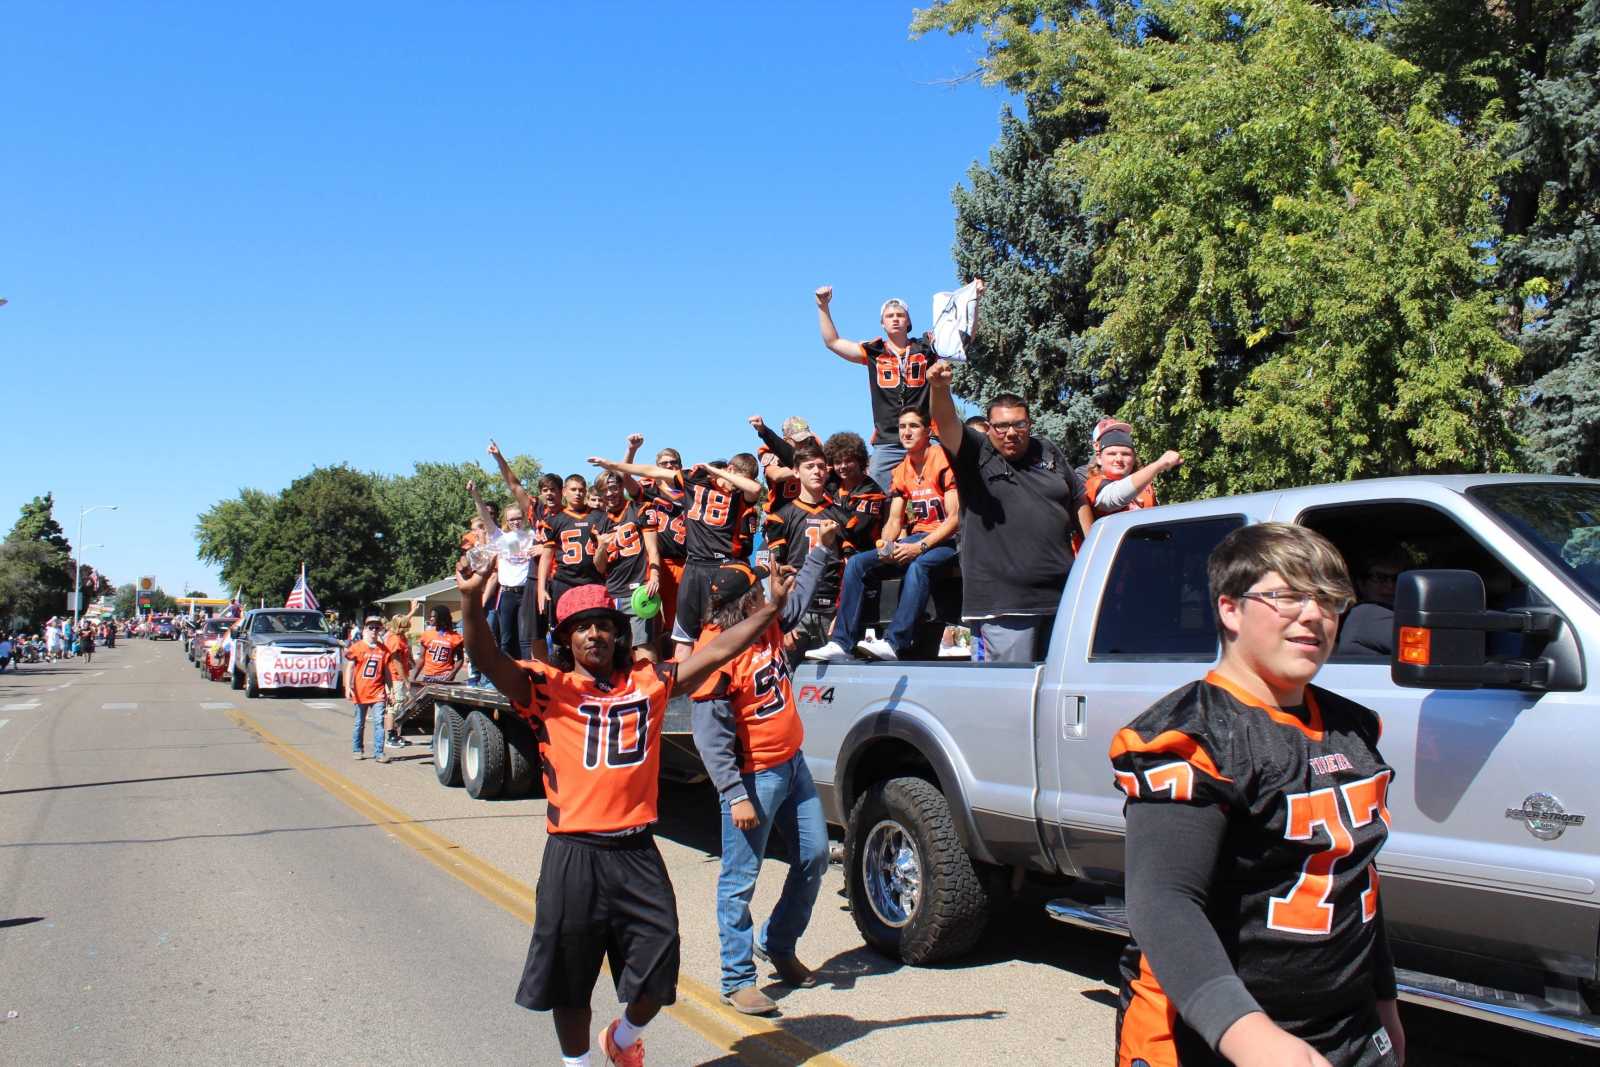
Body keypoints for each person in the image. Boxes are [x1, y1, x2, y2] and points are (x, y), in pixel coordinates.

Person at [455, 549, 784, 1067]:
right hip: (574, 854)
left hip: (636, 851)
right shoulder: (547, 689)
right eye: (581, 628)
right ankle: (578, 1064)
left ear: (618, 633)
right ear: (565, 638)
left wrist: (770, 610)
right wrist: (472, 601)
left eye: (603, 626)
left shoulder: (650, 684)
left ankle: (625, 1037)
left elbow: (719, 651)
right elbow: (487, 657)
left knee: (661, 962)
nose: (594, 635)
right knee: (571, 980)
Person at [1111, 523, 1401, 1067]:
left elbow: (1355, 876)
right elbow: (1163, 902)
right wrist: (1248, 1036)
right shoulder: (1194, 737)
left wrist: (1384, 1000)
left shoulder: (1353, 726)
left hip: (1347, 1025)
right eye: (1288, 595)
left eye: (1329, 600)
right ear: (1230, 609)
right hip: (1212, 1034)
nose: (1314, 615)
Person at [691, 532, 837, 1016]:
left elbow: (795, 600)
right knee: (739, 879)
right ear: (741, 605)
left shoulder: (765, 622)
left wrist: (821, 550)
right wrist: (734, 794)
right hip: (754, 779)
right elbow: (710, 738)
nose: (765, 595)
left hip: (792, 765)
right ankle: (737, 979)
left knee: (815, 856)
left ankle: (777, 942)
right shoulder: (715, 653)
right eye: (757, 592)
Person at [927, 361, 1085, 663]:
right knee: (1008, 690)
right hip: (1004, 607)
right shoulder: (975, 452)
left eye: (1019, 424)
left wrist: (1090, 553)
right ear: (989, 428)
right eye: (1001, 426)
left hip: (1061, 600)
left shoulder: (1047, 450)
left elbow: (1078, 497)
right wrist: (939, 389)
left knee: (1057, 687)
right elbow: (946, 423)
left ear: (1030, 425)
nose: (1010, 432)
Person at [807, 407, 959, 663]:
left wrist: (918, 547)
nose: (906, 432)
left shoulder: (942, 459)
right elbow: (894, 520)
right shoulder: (901, 469)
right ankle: (841, 643)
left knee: (919, 565)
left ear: (928, 431)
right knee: (858, 563)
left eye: (913, 426)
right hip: (917, 538)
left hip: (950, 541)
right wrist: (887, 545)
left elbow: (955, 519)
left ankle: (894, 642)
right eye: (902, 427)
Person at [590, 453, 762, 656]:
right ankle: (681, 675)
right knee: (682, 637)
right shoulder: (693, 480)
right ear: (731, 470)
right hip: (694, 565)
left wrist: (717, 471)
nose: (739, 483)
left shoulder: (739, 495)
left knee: (724, 629)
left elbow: (755, 489)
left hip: (723, 565)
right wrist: (612, 464)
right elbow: (651, 471)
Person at [816, 284, 982, 491]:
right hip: (888, 439)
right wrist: (823, 306)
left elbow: (964, 340)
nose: (895, 319)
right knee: (876, 492)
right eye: (889, 316)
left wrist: (975, 301)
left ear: (909, 321)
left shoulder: (926, 346)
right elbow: (833, 342)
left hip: (925, 435)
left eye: (900, 315)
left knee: (944, 485)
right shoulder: (874, 351)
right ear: (882, 323)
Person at [763, 441, 849, 661]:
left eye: (821, 466)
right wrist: (783, 617)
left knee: (834, 677)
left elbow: (848, 567)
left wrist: (843, 612)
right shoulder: (781, 516)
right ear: (795, 472)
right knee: (790, 673)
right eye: (809, 466)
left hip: (830, 609)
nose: (816, 471)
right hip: (797, 609)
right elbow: (777, 571)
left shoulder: (842, 516)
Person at [593, 472, 664, 662]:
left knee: (642, 645)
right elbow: (600, 567)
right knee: (617, 650)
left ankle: (651, 681)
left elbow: (652, 548)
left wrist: (654, 576)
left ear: (621, 487)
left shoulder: (639, 509)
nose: (610, 493)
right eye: (605, 490)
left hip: (639, 589)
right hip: (613, 592)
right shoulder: (598, 522)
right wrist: (601, 547)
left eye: (614, 487)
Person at [468, 480, 537, 660]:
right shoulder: (501, 537)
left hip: (526, 592)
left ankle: (527, 670)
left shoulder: (532, 536)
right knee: (506, 638)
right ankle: (508, 670)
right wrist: (475, 495)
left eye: (518, 518)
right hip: (507, 593)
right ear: (506, 521)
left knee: (525, 638)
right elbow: (485, 517)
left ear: (524, 518)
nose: (515, 522)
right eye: (511, 519)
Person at [538, 474, 606, 634]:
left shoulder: (599, 516)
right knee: (565, 630)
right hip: (564, 582)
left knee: (594, 628)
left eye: (581, 490)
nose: (578, 493)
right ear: (564, 492)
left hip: (593, 581)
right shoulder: (554, 520)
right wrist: (541, 589)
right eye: (573, 489)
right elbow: (546, 558)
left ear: (586, 492)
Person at [1083, 425, 1182, 528]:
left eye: (1125, 454)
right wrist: (1158, 465)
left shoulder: (1145, 486)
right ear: (1099, 458)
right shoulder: (1093, 485)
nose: (1119, 459)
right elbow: (1114, 497)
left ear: (1134, 458)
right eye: (1112, 454)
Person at [1336, 547, 1408, 657]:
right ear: (1361, 584)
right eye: (1379, 578)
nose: (1390, 586)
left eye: (1396, 579)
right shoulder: (1366, 613)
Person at [344, 617, 393, 764]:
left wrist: (390, 690)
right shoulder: (357, 647)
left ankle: (379, 752)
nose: (374, 631)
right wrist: (348, 687)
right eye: (371, 627)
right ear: (365, 629)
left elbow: (387, 672)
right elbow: (349, 668)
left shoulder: (383, 650)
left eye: (377, 628)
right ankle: (357, 749)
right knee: (359, 723)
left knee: (379, 722)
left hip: (378, 692)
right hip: (361, 692)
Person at [383, 608, 418, 748]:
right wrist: (406, 680)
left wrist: (411, 661)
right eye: (406, 625)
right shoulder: (395, 640)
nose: (408, 627)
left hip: (401, 676)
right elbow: (396, 662)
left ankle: (397, 734)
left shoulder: (401, 637)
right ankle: (390, 735)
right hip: (395, 677)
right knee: (394, 706)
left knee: (401, 706)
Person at [412, 605, 467, 685]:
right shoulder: (426, 635)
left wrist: (451, 675)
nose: (431, 619)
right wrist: (413, 678)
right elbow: (421, 659)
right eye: (431, 616)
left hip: (445, 677)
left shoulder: (456, 637)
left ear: (442, 618)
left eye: (434, 616)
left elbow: (460, 659)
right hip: (428, 676)